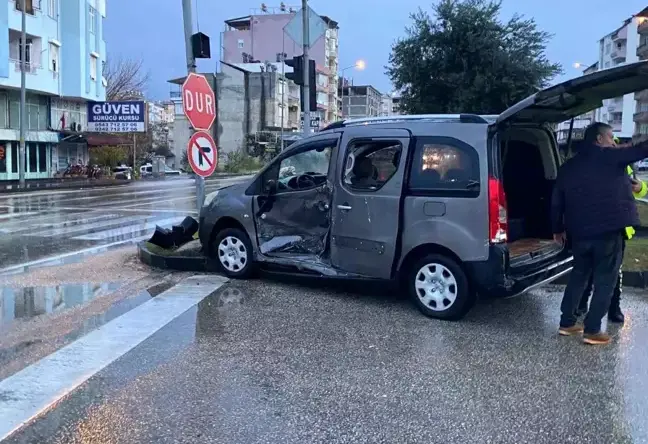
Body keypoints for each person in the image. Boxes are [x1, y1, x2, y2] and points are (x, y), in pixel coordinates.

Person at [551, 123, 648, 345]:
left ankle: (567, 322)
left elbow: (556, 202)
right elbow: (642, 149)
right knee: (606, 280)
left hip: (579, 233)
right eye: (611, 137)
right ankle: (593, 330)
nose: (614, 142)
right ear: (598, 139)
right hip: (607, 232)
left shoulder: (569, 166)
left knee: (579, 276)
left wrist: (557, 229)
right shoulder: (610, 157)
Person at [576, 136, 648, 323]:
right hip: (598, 223)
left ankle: (614, 308)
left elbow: (639, 188)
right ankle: (582, 305)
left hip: (619, 228)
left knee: (615, 273)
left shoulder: (625, 164)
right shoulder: (594, 162)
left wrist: (640, 187)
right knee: (589, 271)